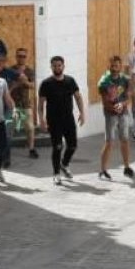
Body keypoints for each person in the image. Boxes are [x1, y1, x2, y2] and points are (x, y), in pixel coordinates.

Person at [38, 55, 86, 185]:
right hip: (53, 120)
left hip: (68, 119)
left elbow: (78, 97)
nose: (57, 68)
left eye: (59, 65)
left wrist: (82, 113)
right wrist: (41, 120)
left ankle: (64, 164)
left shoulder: (70, 81)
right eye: (54, 66)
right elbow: (40, 104)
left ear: (63, 66)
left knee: (72, 146)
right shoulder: (46, 83)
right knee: (57, 147)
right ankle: (56, 173)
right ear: (51, 67)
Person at [97, 53, 135, 180]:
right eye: (112, 65)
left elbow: (129, 97)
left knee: (125, 139)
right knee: (109, 141)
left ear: (120, 66)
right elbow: (105, 102)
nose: (114, 68)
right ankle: (103, 169)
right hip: (110, 113)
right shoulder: (104, 81)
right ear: (109, 66)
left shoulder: (125, 79)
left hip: (123, 112)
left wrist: (122, 105)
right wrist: (115, 107)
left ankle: (127, 167)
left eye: (117, 65)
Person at [1, 47, 38, 158]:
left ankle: (31, 149)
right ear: (16, 57)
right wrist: (17, 83)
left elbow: (33, 85)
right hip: (12, 103)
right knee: (9, 129)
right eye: (19, 56)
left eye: (23, 56)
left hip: (26, 103)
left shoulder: (30, 71)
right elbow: (7, 87)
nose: (21, 58)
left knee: (30, 128)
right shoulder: (10, 70)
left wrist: (24, 82)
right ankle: (6, 151)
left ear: (26, 57)